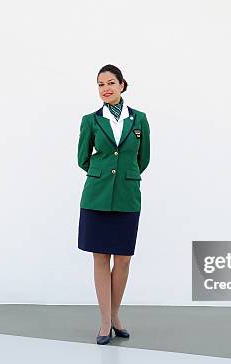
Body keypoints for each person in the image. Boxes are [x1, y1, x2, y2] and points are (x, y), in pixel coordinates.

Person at [76, 64, 150, 345]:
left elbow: (143, 159)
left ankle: (116, 315)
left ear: (122, 85)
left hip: (127, 196)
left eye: (110, 83)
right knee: (100, 258)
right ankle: (105, 322)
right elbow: (83, 158)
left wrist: (125, 178)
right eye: (100, 84)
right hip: (96, 195)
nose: (105, 88)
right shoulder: (90, 120)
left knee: (123, 259)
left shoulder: (140, 120)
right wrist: (103, 172)